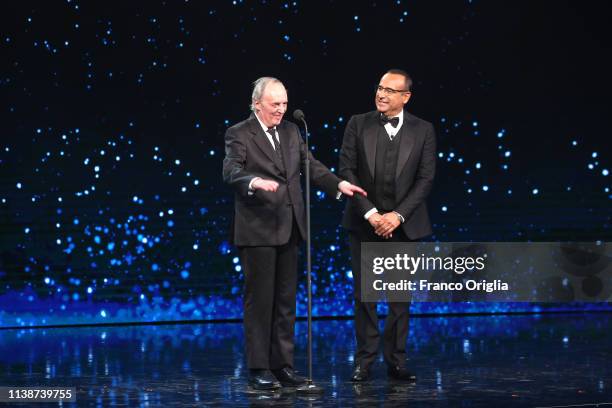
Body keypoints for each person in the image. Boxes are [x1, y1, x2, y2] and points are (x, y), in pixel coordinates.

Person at [223, 77, 366, 390]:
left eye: (284, 104)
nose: (281, 110)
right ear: (256, 103)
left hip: (291, 228)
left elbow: (309, 165)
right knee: (261, 303)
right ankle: (259, 368)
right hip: (258, 230)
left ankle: (283, 367)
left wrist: (337, 184)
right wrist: (253, 181)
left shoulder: (291, 131)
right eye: (275, 104)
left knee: (286, 303)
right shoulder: (239, 133)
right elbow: (230, 170)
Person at [339, 69, 436, 382]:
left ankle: (396, 361)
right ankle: (364, 361)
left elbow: (425, 179)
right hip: (364, 222)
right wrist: (371, 214)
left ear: (405, 97)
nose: (381, 94)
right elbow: (346, 170)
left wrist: (397, 216)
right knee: (365, 297)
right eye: (379, 88)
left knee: (398, 298)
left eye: (390, 90)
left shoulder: (424, 130)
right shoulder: (358, 123)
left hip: (403, 227)